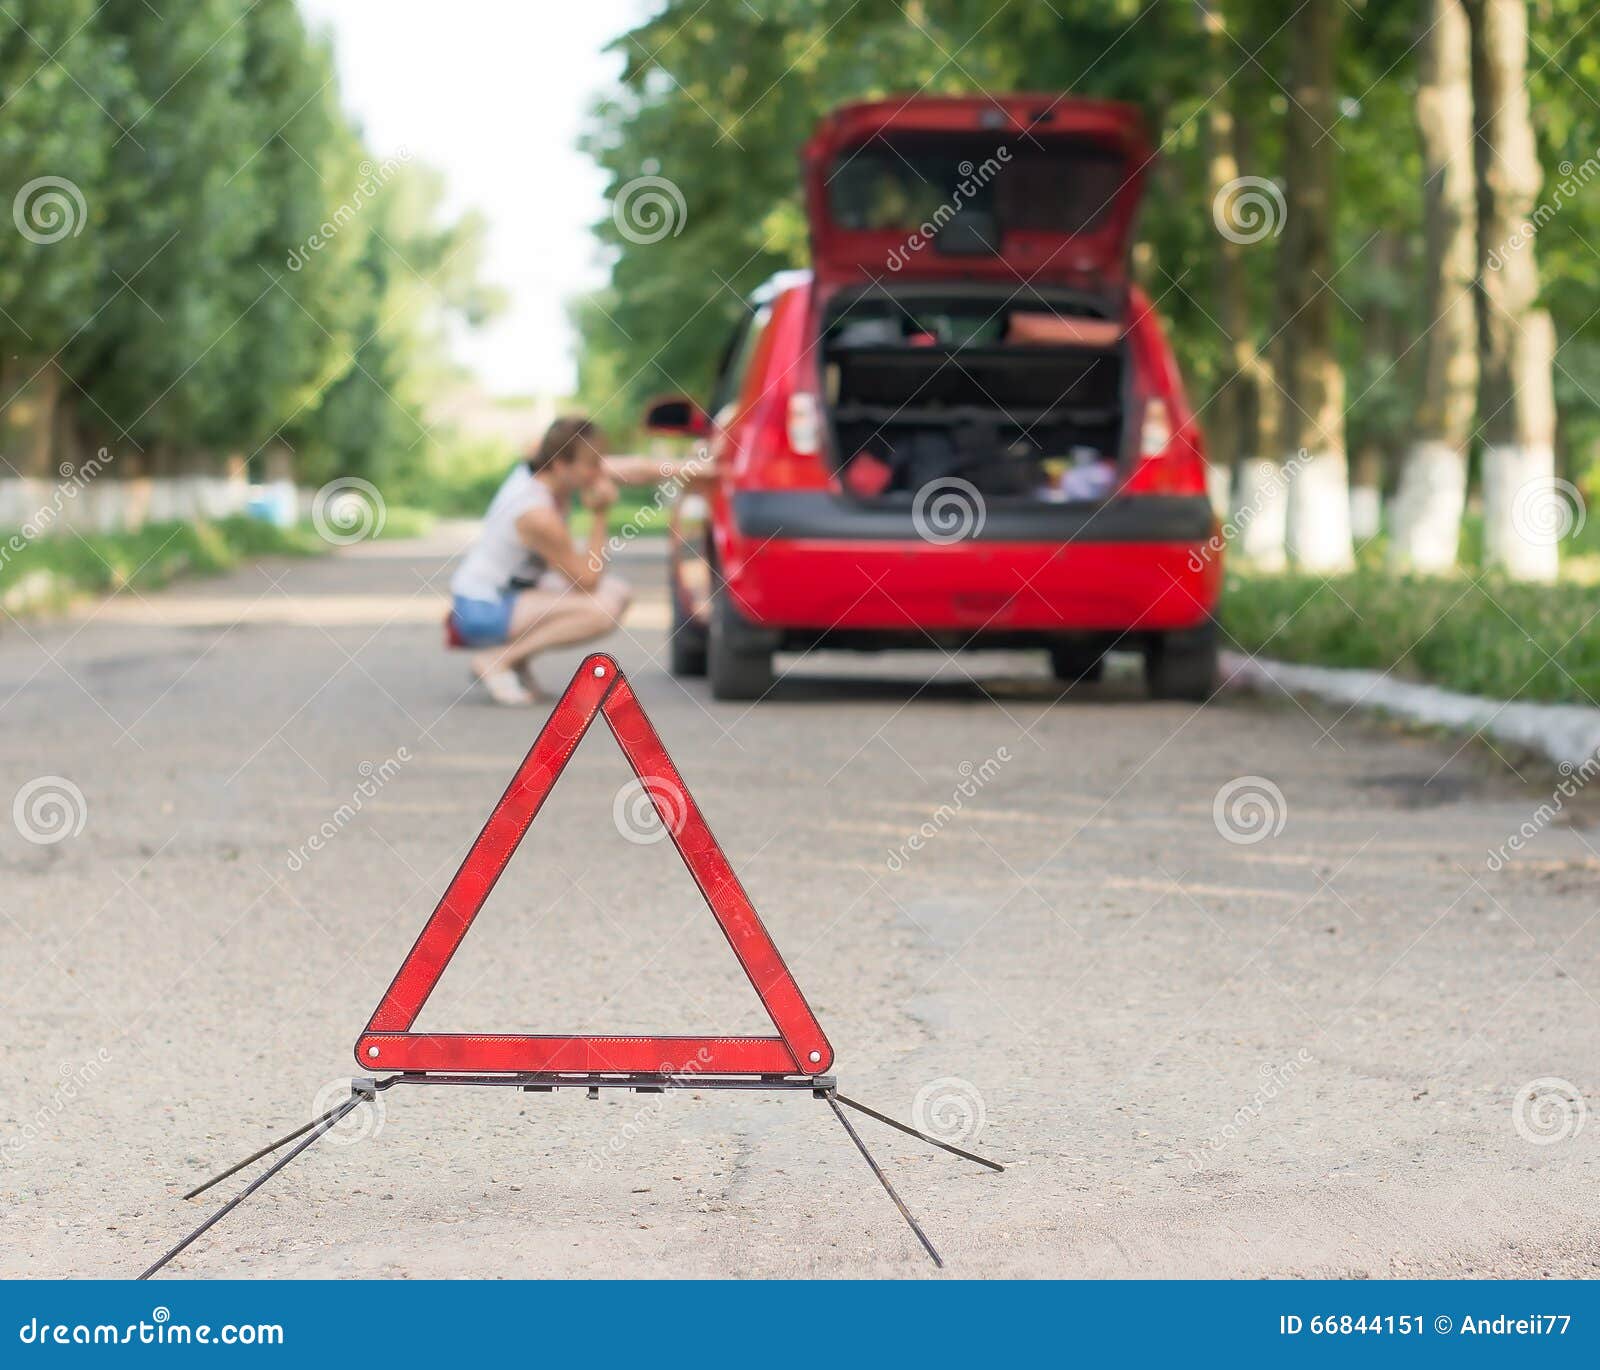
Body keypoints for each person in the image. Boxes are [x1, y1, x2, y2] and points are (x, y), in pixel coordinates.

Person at [448, 415, 693, 706]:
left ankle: (513, 663)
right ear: (562, 465)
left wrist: (705, 468)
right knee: (601, 609)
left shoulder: (548, 470)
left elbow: (638, 469)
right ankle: (497, 661)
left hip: (506, 595)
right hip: (481, 609)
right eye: (593, 464)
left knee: (618, 591)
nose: (601, 471)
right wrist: (600, 514)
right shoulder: (536, 513)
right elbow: (587, 580)